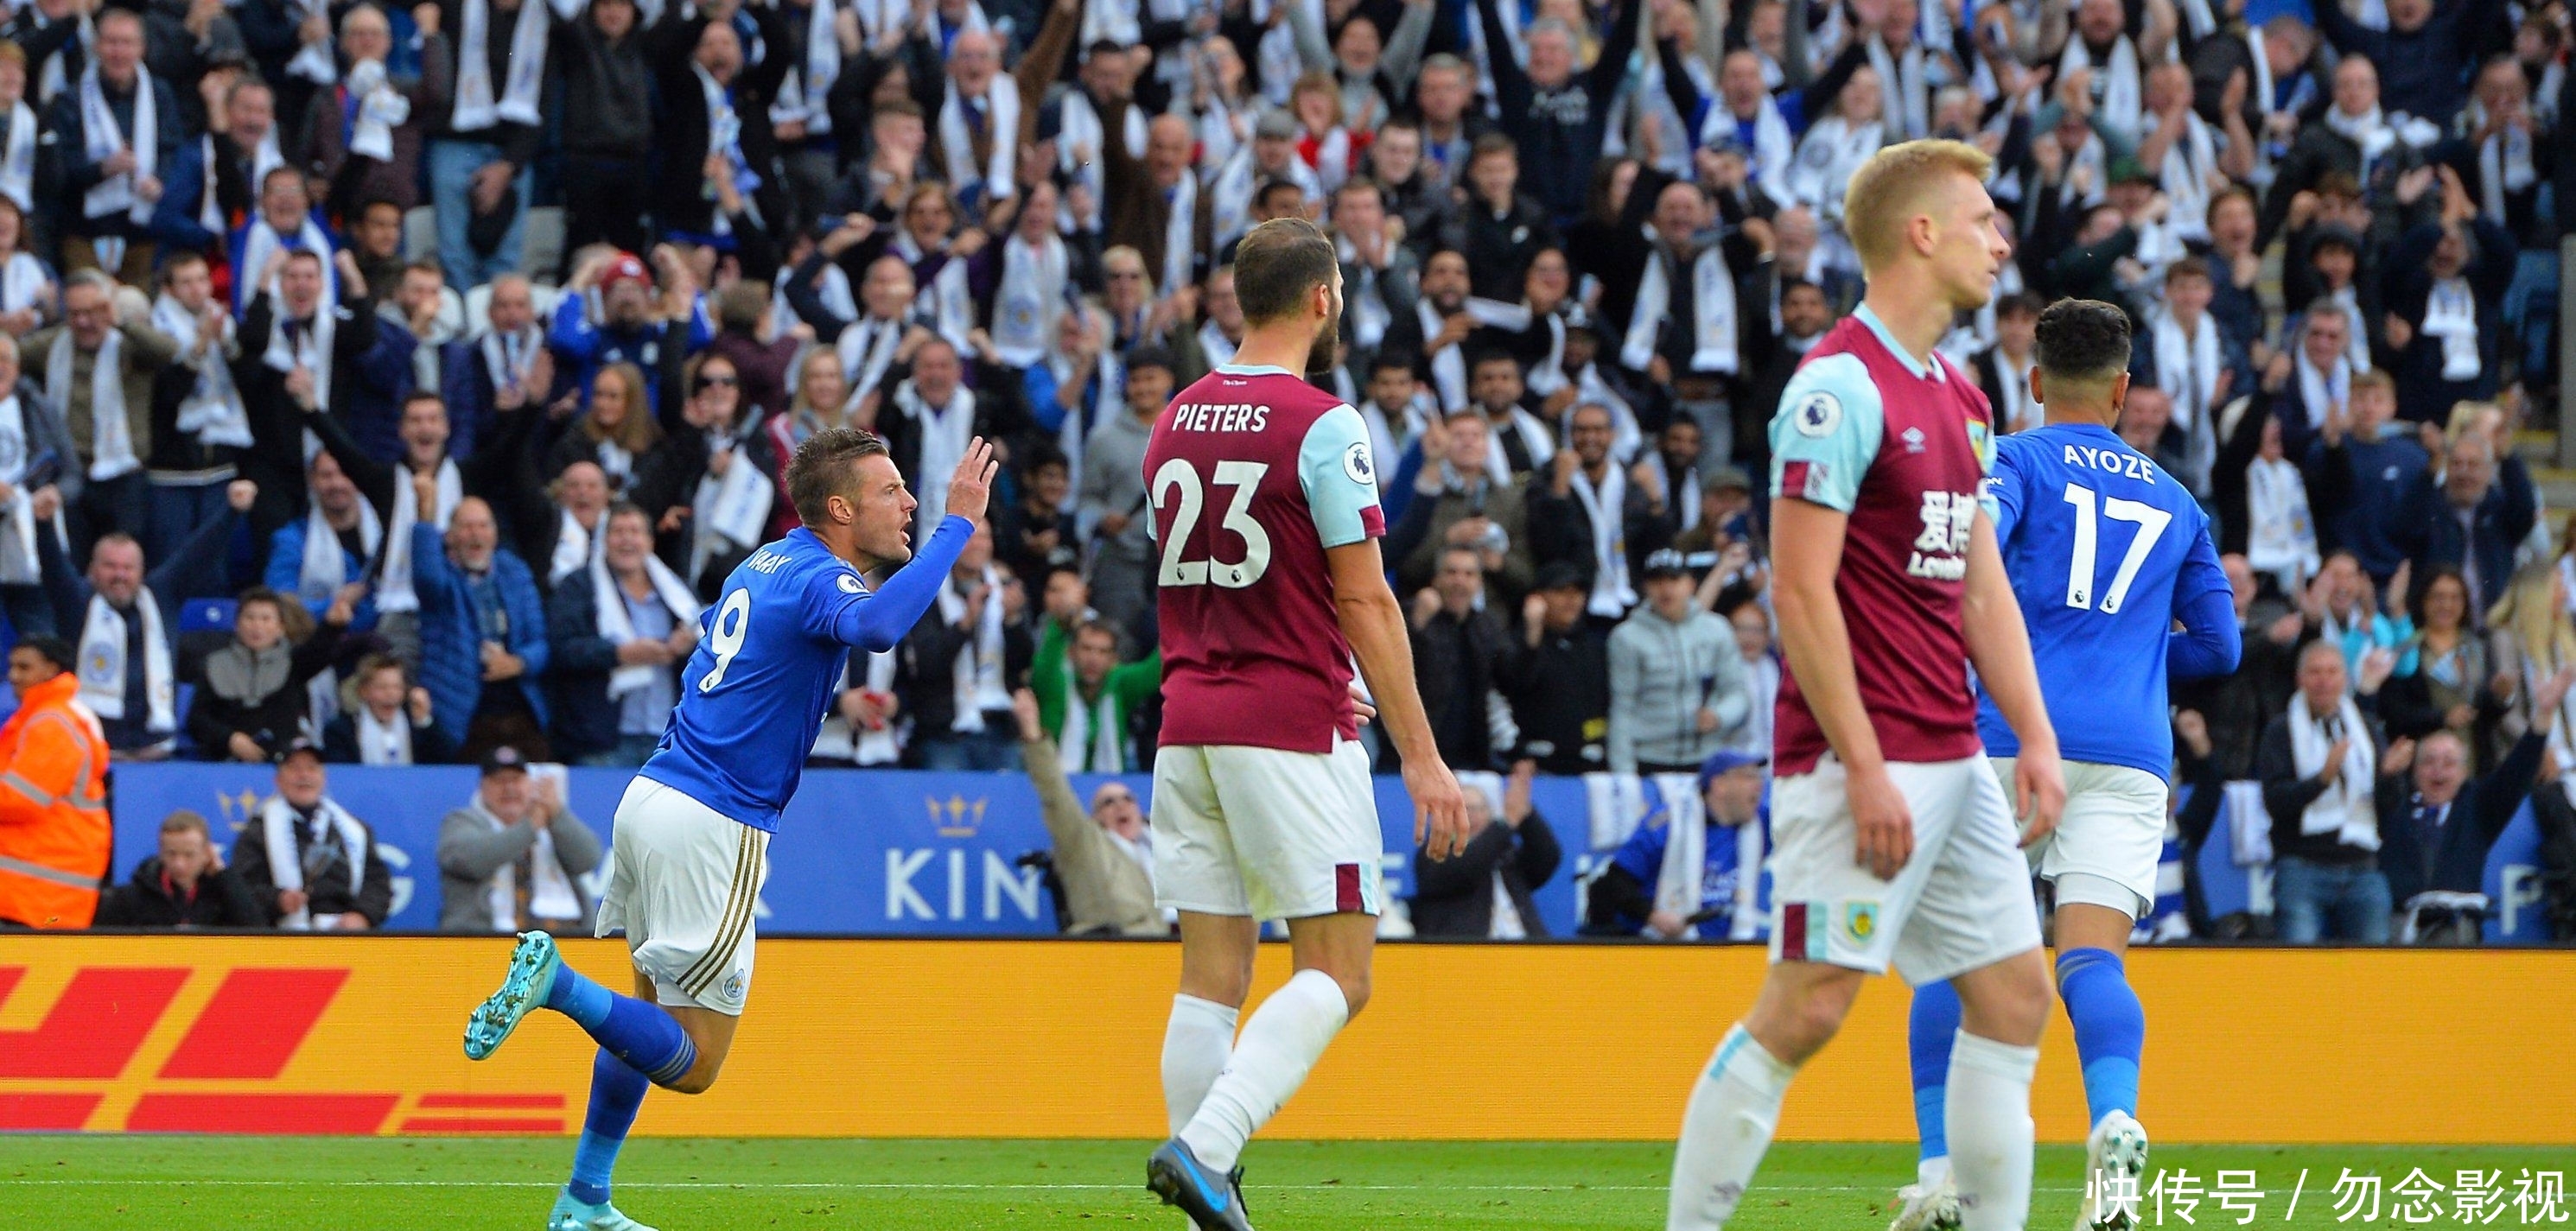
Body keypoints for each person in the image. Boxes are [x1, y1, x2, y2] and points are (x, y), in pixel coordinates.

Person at [1665, 141, 2066, 1231]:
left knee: (2015, 997)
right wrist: (1862, 767)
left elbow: (1979, 587)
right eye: (1982, 219)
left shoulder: (1965, 397)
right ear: (1919, 233)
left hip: (1952, 759)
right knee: (1807, 1009)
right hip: (1861, 764)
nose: (2001, 240)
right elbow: (1797, 595)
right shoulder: (1833, 389)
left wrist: (2029, 733)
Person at [458, 426, 997, 1231]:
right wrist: (959, 525)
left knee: (645, 1020)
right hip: (713, 818)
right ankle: (557, 985)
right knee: (697, 1060)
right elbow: (880, 628)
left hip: (653, 794)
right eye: (892, 491)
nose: (911, 501)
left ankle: (584, 1198)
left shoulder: (763, 562)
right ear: (841, 507)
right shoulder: (819, 575)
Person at [1139, 216, 1467, 1230]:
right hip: (1286, 726)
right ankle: (1204, 1148)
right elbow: (1364, 598)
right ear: (1323, 299)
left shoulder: (1173, 417)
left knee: (1210, 978)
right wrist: (1421, 756)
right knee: (1338, 969)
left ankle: (1209, 1188)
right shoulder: (1326, 424)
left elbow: (1227, 579)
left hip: (1188, 719)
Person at [1891, 299, 2241, 1231]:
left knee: (1954, 954)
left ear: (2035, 379)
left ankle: (1938, 1172)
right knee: (2091, 959)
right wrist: (2126, 656)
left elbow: (1969, 558)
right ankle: (2116, 1135)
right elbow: (2219, 648)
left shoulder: (2006, 459)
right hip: (2129, 754)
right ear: (2124, 390)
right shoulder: (2176, 500)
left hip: (2010, 738)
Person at [2377, 675, 2565, 946]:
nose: (2438, 770)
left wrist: (2543, 715)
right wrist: (2386, 775)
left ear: (2464, 772)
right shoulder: (2397, 805)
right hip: (2397, 931)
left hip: (2457, 932)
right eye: (2429, 761)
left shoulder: (2477, 808)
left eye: (2449, 762)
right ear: (2414, 771)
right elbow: (2377, 802)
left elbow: (2517, 772)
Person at [2258, 638, 2401, 945]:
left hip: (2363, 869)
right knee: (2300, 971)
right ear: (2300, 679)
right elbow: (2274, 801)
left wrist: (2389, 775)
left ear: (2345, 678)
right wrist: (2322, 779)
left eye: (2332, 672)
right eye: (2315, 672)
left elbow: (2388, 806)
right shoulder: (2280, 731)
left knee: (2374, 971)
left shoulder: (2366, 728)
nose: (2324, 681)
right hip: (2301, 868)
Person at [546, 502, 703, 767]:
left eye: (635, 531)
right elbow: (562, 649)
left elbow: (709, 640)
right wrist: (619, 654)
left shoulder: (676, 592)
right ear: (604, 540)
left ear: (650, 541)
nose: (627, 539)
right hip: (603, 740)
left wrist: (686, 645)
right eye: (618, 531)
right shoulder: (579, 586)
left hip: (668, 737)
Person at [1011, 688, 1165, 938]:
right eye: (1109, 802)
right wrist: (1033, 736)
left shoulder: (1163, 844)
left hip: (1176, 949)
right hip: (1116, 948)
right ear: (1096, 817)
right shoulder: (1084, 842)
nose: (1120, 806)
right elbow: (1056, 796)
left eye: (1127, 799)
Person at [1585, 749, 1771, 940]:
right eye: (1749, 777)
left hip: (1731, 950)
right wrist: (1653, 917)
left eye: (1759, 777)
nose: (1759, 785)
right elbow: (1614, 882)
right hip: (1659, 947)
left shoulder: (1761, 823)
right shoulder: (1669, 823)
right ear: (1719, 785)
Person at [0, 637, 111, 928]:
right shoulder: (46, 718)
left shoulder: (52, 725)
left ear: (51, 669)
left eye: (24, 667)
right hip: (37, 891)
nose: (13, 676)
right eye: (12, 666)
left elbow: (19, 801)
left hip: (37, 893)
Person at [437, 746, 605, 934]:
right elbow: (470, 861)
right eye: (499, 781)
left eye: (516, 780)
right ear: (482, 787)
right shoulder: (461, 822)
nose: (509, 788)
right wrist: (530, 828)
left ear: (530, 784)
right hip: (485, 940)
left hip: (565, 937)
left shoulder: (553, 821)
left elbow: (589, 859)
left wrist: (557, 814)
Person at [185, 582, 360, 763]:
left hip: (281, 766)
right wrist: (230, 739)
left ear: (280, 627)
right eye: (250, 618)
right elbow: (197, 719)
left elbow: (318, 651)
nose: (257, 626)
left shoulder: (293, 663)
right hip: (224, 765)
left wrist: (332, 625)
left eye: (265, 619)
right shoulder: (215, 664)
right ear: (237, 624)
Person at [1608, 549, 1747, 776]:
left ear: (1691, 584)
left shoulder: (1716, 629)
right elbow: (1623, 709)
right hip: (1650, 759)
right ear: (1645, 587)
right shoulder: (1627, 637)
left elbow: (1738, 694)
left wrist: (1719, 715)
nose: (1666, 589)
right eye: (1657, 581)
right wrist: (1625, 776)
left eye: (1674, 580)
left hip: (1707, 758)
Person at [230, 738, 394, 930]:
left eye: (312, 768)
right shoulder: (257, 832)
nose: (304, 775)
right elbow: (242, 890)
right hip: (283, 940)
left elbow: (377, 883)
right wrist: (278, 900)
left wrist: (362, 915)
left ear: (324, 778)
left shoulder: (354, 830)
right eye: (294, 768)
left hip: (347, 936)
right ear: (278, 780)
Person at [1409, 760, 1560, 938]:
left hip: (1527, 949)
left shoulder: (1505, 854)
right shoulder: (1434, 851)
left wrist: (1526, 814)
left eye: (1479, 809)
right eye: (1464, 809)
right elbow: (1468, 866)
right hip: (1470, 953)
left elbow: (1547, 858)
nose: (1472, 816)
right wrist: (1506, 824)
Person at [93, 809, 264, 929]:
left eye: (189, 855)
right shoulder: (132, 897)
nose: (179, 864)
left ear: (207, 853)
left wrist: (224, 875)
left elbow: (257, 931)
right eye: (171, 854)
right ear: (160, 852)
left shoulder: (221, 895)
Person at [1031, 615, 1159, 774]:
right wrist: (1060, 624)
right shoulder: (1053, 684)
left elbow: (1156, 669)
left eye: (1102, 652)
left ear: (1114, 659)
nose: (1093, 659)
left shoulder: (1121, 685)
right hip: (1057, 787)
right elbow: (1046, 662)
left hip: (1110, 787)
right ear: (1071, 652)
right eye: (1086, 649)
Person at [322, 653, 457, 765]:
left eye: (397, 687)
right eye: (382, 687)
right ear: (363, 691)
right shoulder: (341, 731)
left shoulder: (417, 727)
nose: (391, 693)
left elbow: (448, 759)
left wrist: (424, 721)